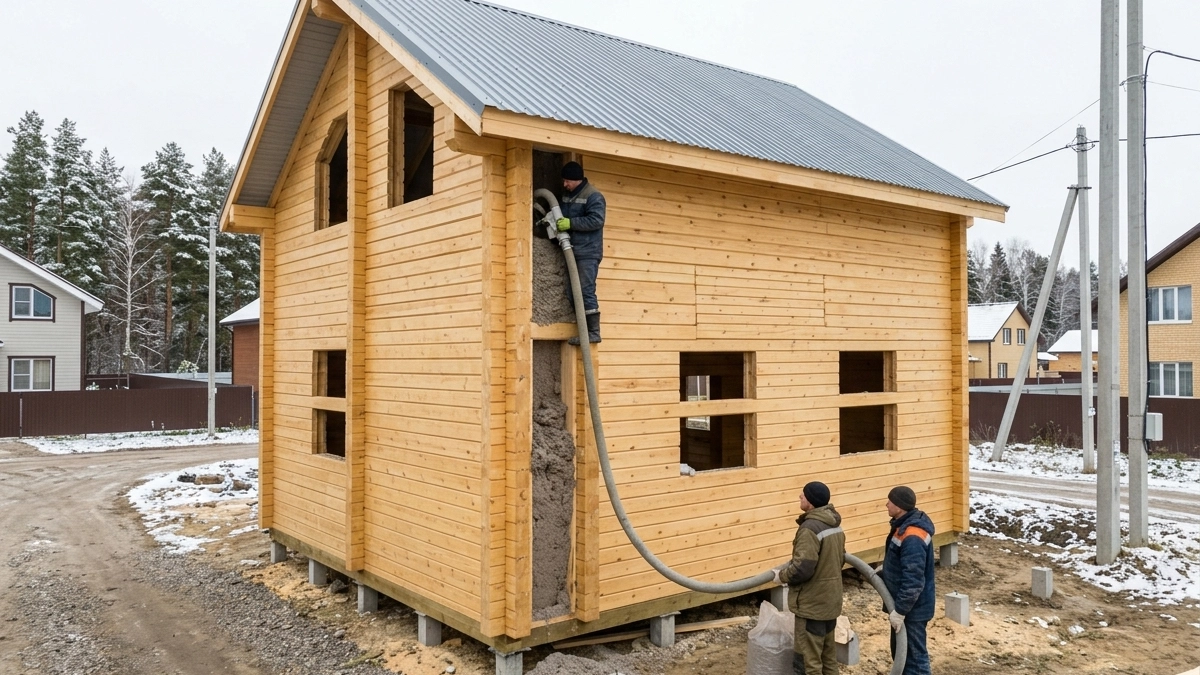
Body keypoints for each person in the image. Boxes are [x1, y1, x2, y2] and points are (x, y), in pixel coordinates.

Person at [775, 481, 846, 675]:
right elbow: (840, 560)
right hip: (830, 602)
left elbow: (802, 568)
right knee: (828, 658)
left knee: (809, 662)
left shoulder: (809, 528)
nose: (800, 496)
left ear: (811, 502)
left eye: (804, 495)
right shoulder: (834, 525)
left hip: (812, 606)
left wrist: (781, 576)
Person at [880, 486, 936, 675]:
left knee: (914, 661)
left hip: (913, 610)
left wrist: (900, 611)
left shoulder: (912, 535)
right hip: (906, 607)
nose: (886, 504)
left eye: (890, 501)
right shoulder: (903, 526)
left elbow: (914, 580)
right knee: (901, 655)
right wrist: (886, 571)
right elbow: (903, 564)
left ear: (900, 506)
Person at [555, 161, 606, 344]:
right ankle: (583, 330)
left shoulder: (593, 196)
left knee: (585, 290)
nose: (565, 184)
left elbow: (596, 220)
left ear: (576, 179)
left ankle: (593, 332)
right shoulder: (568, 195)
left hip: (588, 252)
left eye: (567, 181)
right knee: (572, 292)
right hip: (573, 250)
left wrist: (571, 223)